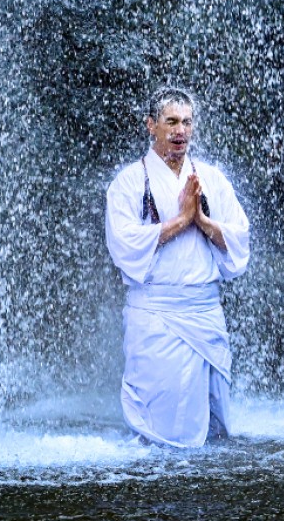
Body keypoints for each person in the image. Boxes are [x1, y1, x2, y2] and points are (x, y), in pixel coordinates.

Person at [104, 86, 251, 448]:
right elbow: (124, 245)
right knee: (161, 424)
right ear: (151, 125)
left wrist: (200, 220)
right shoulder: (128, 182)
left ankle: (206, 493)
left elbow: (238, 239)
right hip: (156, 313)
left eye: (186, 122)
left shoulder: (212, 179)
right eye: (171, 121)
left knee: (215, 424)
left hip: (204, 312)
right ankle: (159, 492)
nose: (180, 130)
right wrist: (179, 221)